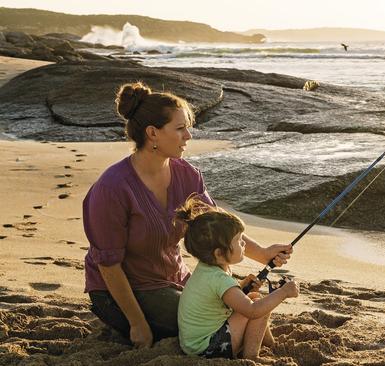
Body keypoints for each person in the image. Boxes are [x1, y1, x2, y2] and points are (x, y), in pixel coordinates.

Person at [82, 82, 292, 348]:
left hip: (176, 280)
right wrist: (138, 324)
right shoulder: (112, 188)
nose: (188, 136)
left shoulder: (187, 175)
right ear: (152, 133)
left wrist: (262, 253)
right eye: (180, 128)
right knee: (216, 323)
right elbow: (108, 265)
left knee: (237, 304)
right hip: (120, 291)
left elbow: (218, 226)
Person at [176, 196, 299, 360]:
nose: (244, 244)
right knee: (258, 306)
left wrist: (241, 287)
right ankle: (251, 357)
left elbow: (220, 300)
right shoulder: (219, 279)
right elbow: (252, 311)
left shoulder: (208, 269)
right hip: (208, 349)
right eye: (239, 240)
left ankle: (269, 344)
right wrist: (283, 292)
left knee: (253, 296)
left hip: (195, 345)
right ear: (219, 253)